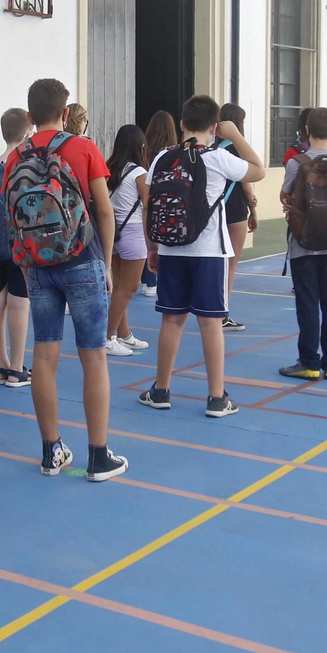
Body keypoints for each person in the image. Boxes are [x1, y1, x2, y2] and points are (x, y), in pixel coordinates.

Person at [4, 78, 128, 481]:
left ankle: (51, 451)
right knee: (93, 356)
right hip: (82, 259)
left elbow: (13, 218)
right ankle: (98, 455)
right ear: (64, 112)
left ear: (29, 116)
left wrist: (26, 264)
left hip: (37, 265)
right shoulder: (83, 148)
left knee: (43, 355)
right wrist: (107, 264)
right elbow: (104, 212)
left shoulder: (15, 156)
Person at [139, 95, 266, 417]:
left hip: (171, 248)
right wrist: (234, 135)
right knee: (211, 324)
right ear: (214, 126)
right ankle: (216, 397)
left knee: (172, 320)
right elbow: (258, 171)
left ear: (181, 124)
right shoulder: (218, 159)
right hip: (209, 251)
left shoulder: (162, 159)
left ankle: (161, 390)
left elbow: (148, 207)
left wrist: (153, 247)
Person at [278, 108, 327, 380]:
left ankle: (308, 361)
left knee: (307, 302)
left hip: (303, 243)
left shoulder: (297, 163)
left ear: (306, 129)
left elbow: (286, 196)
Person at [0, 108, 33, 387]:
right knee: (19, 304)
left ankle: (0, 366)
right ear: (28, 134)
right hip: (17, 242)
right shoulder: (24, 162)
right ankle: (16, 368)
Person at [105, 123, 151, 356]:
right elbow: (148, 206)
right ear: (140, 146)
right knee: (130, 287)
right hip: (132, 232)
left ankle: (123, 334)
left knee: (120, 285)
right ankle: (108, 336)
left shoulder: (109, 167)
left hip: (112, 232)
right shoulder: (139, 173)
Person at [216, 102, 257, 332]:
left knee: (217, 262)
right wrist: (254, 208)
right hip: (236, 209)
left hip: (216, 209)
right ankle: (223, 314)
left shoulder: (215, 148)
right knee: (231, 264)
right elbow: (247, 181)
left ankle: (213, 310)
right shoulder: (237, 149)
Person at [138, 110, 179, 299]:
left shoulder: (144, 149)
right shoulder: (174, 152)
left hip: (144, 200)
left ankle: (148, 280)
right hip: (165, 203)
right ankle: (156, 281)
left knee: (148, 242)